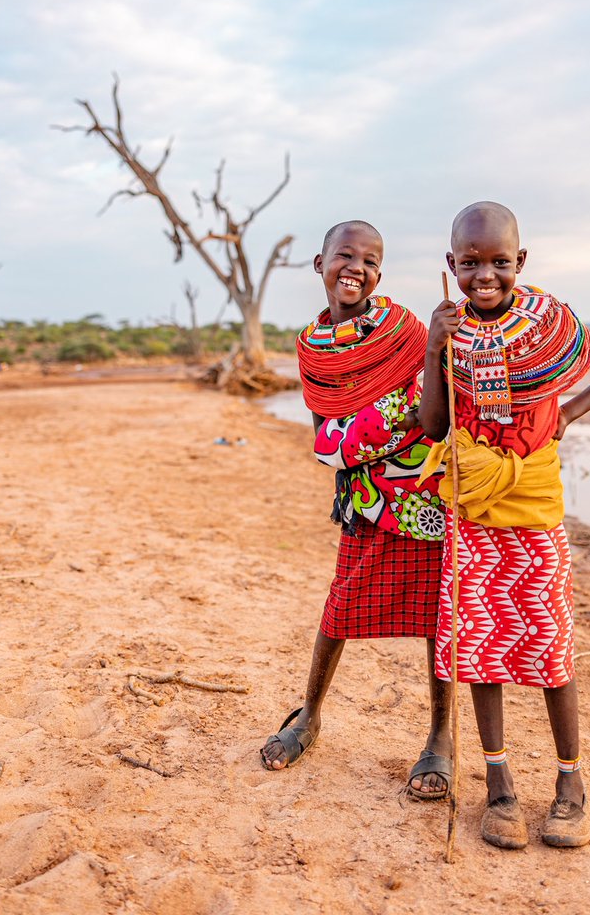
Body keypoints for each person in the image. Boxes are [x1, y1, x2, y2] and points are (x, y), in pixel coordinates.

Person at [417, 201, 590, 849]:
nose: (484, 275)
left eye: (499, 262)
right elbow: (432, 427)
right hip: (474, 508)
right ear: (450, 265)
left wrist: (566, 414)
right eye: (469, 263)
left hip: (534, 505)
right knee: (480, 649)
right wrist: (433, 348)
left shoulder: (549, 325)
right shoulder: (448, 330)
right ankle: (499, 786)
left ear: (521, 262)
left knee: (548, 646)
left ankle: (570, 786)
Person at [260, 220, 453, 799]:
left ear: (380, 274)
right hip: (364, 499)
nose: (357, 268)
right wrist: (352, 442)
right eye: (346, 256)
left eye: (371, 261)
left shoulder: (403, 329)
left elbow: (430, 408)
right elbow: (323, 433)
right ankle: (310, 715)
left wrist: (349, 441)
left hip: (424, 490)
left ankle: (440, 738)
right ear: (319, 264)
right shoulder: (311, 348)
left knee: (434, 619)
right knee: (341, 605)